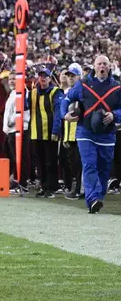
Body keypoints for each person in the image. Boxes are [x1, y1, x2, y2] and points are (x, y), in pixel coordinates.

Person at [61, 55, 121, 213]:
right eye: (99, 63)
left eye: (105, 64)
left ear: (109, 67)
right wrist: (64, 115)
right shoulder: (83, 84)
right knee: (89, 165)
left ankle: (98, 196)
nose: (102, 66)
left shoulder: (117, 87)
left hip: (107, 134)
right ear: (94, 66)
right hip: (85, 131)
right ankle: (92, 199)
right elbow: (66, 100)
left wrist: (114, 115)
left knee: (104, 169)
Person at [31, 67, 64, 198]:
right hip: (36, 132)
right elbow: (26, 107)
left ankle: (52, 187)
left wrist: (56, 130)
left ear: (50, 78)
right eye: (40, 76)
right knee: (39, 161)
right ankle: (44, 186)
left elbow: (58, 112)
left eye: (45, 76)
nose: (42, 78)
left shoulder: (55, 92)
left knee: (50, 161)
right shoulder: (33, 92)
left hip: (50, 132)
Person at [62, 63, 83, 200]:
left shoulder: (81, 90)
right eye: (68, 75)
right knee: (74, 163)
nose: (70, 78)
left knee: (80, 163)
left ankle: (80, 189)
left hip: (81, 133)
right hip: (71, 134)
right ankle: (77, 188)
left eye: (73, 75)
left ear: (79, 76)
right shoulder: (70, 92)